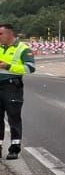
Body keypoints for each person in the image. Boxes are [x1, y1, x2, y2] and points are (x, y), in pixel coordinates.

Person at [0, 23, 36, 160]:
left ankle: (14, 148)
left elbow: (30, 68)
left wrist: (8, 66)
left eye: (0, 34)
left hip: (12, 87)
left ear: (9, 34)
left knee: (13, 117)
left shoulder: (23, 49)